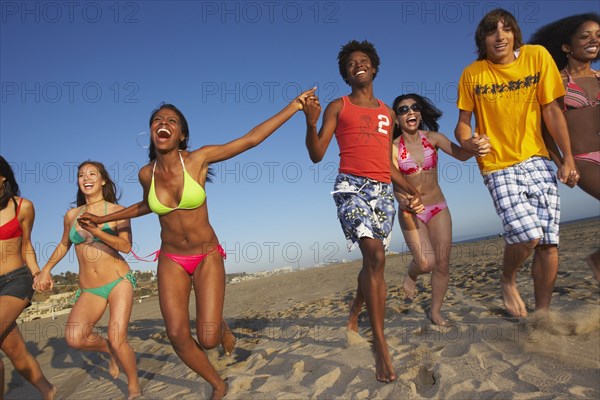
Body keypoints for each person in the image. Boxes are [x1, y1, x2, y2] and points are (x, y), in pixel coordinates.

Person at [78, 88, 315, 400]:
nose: (163, 123)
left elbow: (250, 139)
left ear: (181, 135)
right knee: (177, 335)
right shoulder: (145, 173)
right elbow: (147, 205)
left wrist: (294, 107)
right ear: (152, 132)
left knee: (208, 339)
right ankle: (218, 384)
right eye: (158, 120)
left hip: (206, 255)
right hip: (171, 258)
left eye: (172, 121)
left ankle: (220, 326)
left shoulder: (197, 159)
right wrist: (103, 219)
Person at [302, 40, 423, 383]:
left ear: (374, 68)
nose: (358, 64)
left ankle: (355, 310)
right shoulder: (338, 106)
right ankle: (380, 345)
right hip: (350, 186)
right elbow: (316, 154)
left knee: (373, 262)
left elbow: (387, 163)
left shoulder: (387, 113)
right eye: (351, 62)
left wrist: (410, 188)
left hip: (383, 190)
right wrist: (310, 123)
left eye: (364, 60)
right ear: (346, 73)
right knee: (374, 256)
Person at [455, 9, 579, 319]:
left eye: (506, 29)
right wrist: (469, 142)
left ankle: (543, 315)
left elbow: (551, 111)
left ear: (515, 35)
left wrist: (567, 160)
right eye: (491, 32)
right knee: (527, 234)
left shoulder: (536, 57)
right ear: (482, 40)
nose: (500, 36)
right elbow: (462, 124)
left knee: (548, 243)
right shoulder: (473, 73)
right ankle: (507, 280)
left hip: (537, 158)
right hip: (497, 164)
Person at [34, 161, 140, 399]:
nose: (86, 178)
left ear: (103, 180)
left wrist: (97, 230)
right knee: (74, 338)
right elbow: (64, 244)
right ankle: (109, 351)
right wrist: (46, 269)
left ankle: (133, 385)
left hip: (118, 281)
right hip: (90, 288)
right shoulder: (72, 215)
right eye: (81, 175)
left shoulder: (117, 210)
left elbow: (126, 246)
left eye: (92, 173)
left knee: (117, 337)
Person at [391, 93, 490, 326]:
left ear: (420, 113)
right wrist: (404, 201)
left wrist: (474, 145)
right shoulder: (393, 149)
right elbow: (395, 186)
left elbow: (462, 155)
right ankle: (412, 273)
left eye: (414, 108)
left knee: (442, 263)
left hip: (438, 207)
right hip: (411, 211)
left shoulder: (433, 138)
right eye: (403, 110)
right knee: (426, 264)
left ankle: (435, 311)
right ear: (396, 120)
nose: (410, 112)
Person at [530, 13, 600, 282]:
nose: (594, 40)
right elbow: (544, 132)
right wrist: (562, 163)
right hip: (582, 159)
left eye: (598, 35)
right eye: (585, 35)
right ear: (567, 47)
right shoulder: (556, 82)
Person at [0, 156, 55, 400]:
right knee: (16, 351)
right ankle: (48, 391)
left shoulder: (22, 206)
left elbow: (27, 245)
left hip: (15, 280)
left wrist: (37, 273)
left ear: (3, 178)